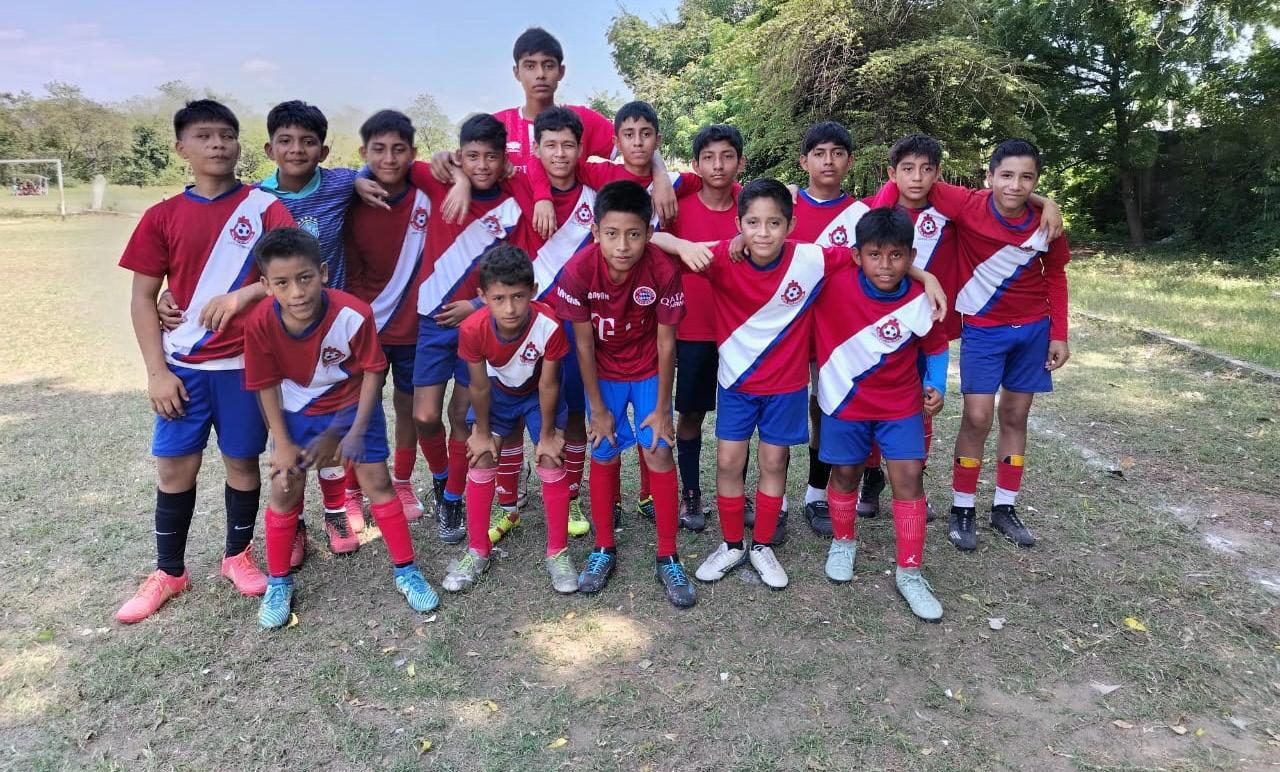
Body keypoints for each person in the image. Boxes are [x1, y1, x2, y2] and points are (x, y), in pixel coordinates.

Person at [157, 100, 367, 562]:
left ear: (323, 150)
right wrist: (170, 297)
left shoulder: (339, 184)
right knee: (285, 434)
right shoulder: (253, 201)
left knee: (328, 426)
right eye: (285, 141)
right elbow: (213, 257)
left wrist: (366, 179)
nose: (296, 150)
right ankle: (294, 521)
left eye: (307, 142)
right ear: (269, 149)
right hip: (277, 337)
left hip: (331, 330)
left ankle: (336, 512)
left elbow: (376, 168)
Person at [116, 99, 295, 624]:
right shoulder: (163, 215)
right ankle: (169, 571)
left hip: (246, 367)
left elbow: (296, 273)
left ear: (239, 145)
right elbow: (142, 298)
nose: (217, 144)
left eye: (227, 135)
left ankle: (237, 556)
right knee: (175, 468)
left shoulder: (265, 208)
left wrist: (245, 294)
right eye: (203, 136)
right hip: (184, 369)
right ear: (181, 148)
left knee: (242, 462)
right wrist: (157, 372)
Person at [876, 139, 1070, 550]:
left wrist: (1059, 333)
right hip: (983, 327)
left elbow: (1056, 275)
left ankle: (1004, 506)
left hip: (1033, 329)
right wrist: (1046, 199)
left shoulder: (1047, 223)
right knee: (978, 417)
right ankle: (962, 507)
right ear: (989, 177)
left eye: (1027, 178)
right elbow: (904, 183)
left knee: (1015, 416)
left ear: (1036, 180)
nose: (1015, 185)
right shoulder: (966, 204)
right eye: (1006, 175)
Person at [243, 228, 439, 627]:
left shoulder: (353, 314)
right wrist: (282, 442)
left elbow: (373, 372)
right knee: (284, 485)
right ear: (266, 286)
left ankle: (407, 571)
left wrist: (354, 430)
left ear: (323, 272)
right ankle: (278, 582)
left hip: (350, 404)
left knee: (377, 482)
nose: (297, 292)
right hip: (296, 409)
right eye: (282, 283)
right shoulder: (260, 321)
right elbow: (264, 385)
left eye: (305, 278)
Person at [358, 114, 525, 544]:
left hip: (480, 325)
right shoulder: (437, 182)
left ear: (504, 159)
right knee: (424, 415)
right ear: (460, 155)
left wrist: (476, 305)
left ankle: (452, 497)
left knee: (460, 418)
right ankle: (440, 476)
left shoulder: (513, 201)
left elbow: (518, 271)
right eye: (472, 156)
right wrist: (457, 177)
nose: (482, 165)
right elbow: (384, 165)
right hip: (432, 323)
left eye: (491, 157)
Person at [553, 180, 694, 608]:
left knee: (659, 451)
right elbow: (583, 346)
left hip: (648, 369)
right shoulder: (578, 271)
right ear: (595, 232)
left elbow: (667, 344)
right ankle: (603, 547)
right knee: (603, 450)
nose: (622, 245)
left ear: (649, 233)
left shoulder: (662, 269)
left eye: (633, 234)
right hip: (605, 375)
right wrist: (597, 409)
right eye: (612, 233)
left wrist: (663, 408)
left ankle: (668, 554)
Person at [812, 207, 949, 620]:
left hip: (900, 404)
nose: (885, 265)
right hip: (844, 400)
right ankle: (843, 541)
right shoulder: (832, 282)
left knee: (908, 478)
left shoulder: (921, 296)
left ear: (911, 257)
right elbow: (787, 259)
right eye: (874, 255)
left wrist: (937, 386)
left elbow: (936, 346)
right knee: (845, 474)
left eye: (896, 256)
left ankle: (910, 571)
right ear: (857, 255)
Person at [442, 245, 577, 594]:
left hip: (537, 395)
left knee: (551, 457)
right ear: (482, 296)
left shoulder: (549, 324)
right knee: (482, 456)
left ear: (533, 291)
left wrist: (547, 435)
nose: (510, 308)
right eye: (499, 299)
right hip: (497, 395)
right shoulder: (472, 329)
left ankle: (558, 552)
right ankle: (477, 551)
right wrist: (482, 432)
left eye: (518, 296)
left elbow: (549, 384)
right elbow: (479, 385)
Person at [343, 110, 436, 550]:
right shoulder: (347, 198)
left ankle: (402, 482)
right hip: (363, 327)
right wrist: (354, 180)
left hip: (414, 326)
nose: (389, 158)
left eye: (399, 149)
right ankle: (351, 491)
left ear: (412, 153)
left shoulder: (426, 195)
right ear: (364, 153)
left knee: (408, 409)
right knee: (358, 411)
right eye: (378, 149)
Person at [648, 124, 745, 534]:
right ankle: (691, 493)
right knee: (690, 415)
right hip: (692, 330)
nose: (718, 165)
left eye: (727, 156)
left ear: (741, 162)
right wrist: (681, 245)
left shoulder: (751, 205)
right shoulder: (678, 205)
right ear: (696, 164)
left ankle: (738, 491)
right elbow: (648, 237)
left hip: (741, 332)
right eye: (709, 157)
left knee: (741, 420)